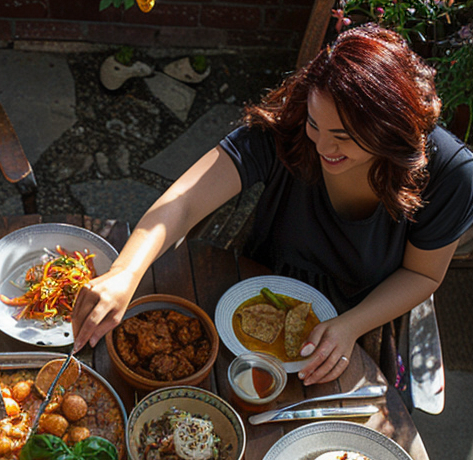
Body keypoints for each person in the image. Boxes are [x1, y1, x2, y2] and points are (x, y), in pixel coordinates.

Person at [71, 25, 473, 386]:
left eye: (345, 137)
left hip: (361, 313)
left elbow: (423, 275)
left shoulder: (452, 173)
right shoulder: (290, 126)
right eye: (316, 124)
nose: (323, 148)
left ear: (392, 129)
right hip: (250, 297)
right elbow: (184, 201)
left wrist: (350, 326)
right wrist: (125, 272)